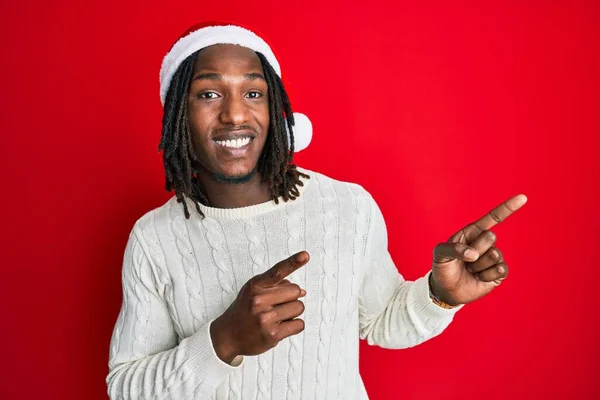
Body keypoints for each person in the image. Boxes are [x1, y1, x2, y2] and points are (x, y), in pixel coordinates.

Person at [106, 22, 527, 400]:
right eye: (209, 94)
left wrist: (440, 295)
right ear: (179, 115)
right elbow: (126, 388)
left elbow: (381, 322)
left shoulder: (346, 206)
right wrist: (223, 341)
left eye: (253, 93)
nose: (235, 114)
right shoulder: (154, 237)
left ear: (276, 112)